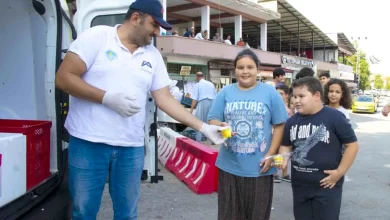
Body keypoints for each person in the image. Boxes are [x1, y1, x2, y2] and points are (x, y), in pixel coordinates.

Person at [55, 0, 226, 219]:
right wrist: (106, 98)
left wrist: (202, 127)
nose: (156, 33)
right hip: (89, 142)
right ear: (136, 18)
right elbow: (64, 78)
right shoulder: (97, 37)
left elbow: (164, 98)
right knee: (83, 212)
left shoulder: (152, 56)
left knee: (127, 214)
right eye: (154, 25)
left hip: (130, 147)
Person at [207, 49, 288, 220]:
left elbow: (280, 125)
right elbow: (212, 119)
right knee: (229, 215)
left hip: (260, 168)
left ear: (257, 69)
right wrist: (220, 125)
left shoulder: (270, 92)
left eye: (250, 67)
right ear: (234, 70)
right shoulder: (225, 92)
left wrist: (271, 153)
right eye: (240, 67)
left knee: (257, 215)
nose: (245, 71)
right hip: (229, 166)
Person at [279, 77, 359, 220]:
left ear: (316, 96)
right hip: (300, 186)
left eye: (301, 96)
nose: (296, 100)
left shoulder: (335, 117)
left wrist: (339, 172)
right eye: (295, 96)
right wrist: (283, 158)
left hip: (327, 186)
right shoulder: (291, 122)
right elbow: (286, 145)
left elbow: (352, 145)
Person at [190, 72, 217, 142]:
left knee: (198, 121)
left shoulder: (198, 85)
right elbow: (216, 96)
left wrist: (191, 110)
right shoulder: (211, 84)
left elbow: (194, 99)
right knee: (210, 122)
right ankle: (211, 140)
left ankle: (198, 141)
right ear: (203, 76)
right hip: (213, 103)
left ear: (197, 77)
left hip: (203, 102)